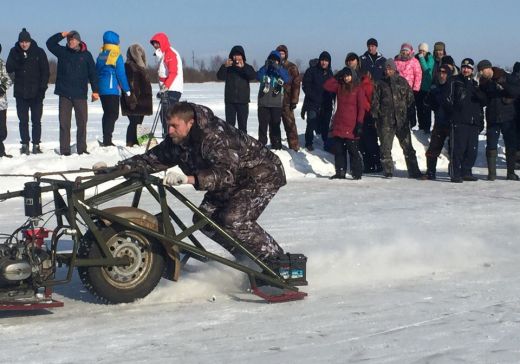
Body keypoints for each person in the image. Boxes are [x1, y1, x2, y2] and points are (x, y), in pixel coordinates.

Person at [120, 102, 287, 265]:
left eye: (174, 126)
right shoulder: (178, 139)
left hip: (261, 174)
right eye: (168, 125)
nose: (169, 131)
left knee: (233, 219)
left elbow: (226, 174)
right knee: (205, 220)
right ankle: (250, 262)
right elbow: (153, 159)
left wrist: (188, 179)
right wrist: (119, 168)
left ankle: (278, 263)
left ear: (190, 123)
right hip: (234, 179)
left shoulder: (215, 137)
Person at [46, 30, 99, 156]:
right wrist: (61, 34)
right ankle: (65, 150)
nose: (71, 42)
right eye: (69, 40)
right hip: (64, 94)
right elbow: (49, 44)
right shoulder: (62, 52)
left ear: (79, 41)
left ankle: (82, 149)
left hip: (80, 95)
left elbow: (93, 74)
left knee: (82, 123)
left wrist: (96, 90)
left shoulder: (86, 55)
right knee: (64, 124)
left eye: (73, 40)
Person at [371, 59, 423, 178]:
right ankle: (388, 170)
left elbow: (410, 101)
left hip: (402, 120)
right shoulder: (379, 84)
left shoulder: (402, 82)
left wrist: (412, 116)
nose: (387, 70)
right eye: (386, 68)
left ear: (394, 69)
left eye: (390, 68)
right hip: (385, 121)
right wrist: (375, 117)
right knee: (385, 147)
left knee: (408, 148)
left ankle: (414, 170)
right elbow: (375, 102)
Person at [6, 28, 49, 155]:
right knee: (23, 121)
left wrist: (42, 89)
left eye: (26, 42)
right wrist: (19, 58)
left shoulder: (39, 52)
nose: (24, 44)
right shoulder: (14, 52)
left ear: (30, 41)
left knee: (36, 121)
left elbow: (45, 72)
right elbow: (9, 67)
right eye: (22, 42)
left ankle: (36, 145)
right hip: (21, 93)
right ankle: (24, 145)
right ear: (19, 42)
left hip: (36, 93)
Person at [445, 58, 487, 182]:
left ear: (472, 70)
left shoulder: (475, 84)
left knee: (471, 150)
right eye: (464, 67)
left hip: (473, 122)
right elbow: (447, 100)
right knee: (458, 149)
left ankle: (466, 171)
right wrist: (454, 113)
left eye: (468, 68)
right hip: (459, 121)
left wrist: (480, 121)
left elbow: (483, 102)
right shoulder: (454, 81)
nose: (466, 69)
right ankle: (455, 173)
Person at [477, 59, 520, 180]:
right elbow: (484, 100)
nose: (481, 73)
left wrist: (504, 85)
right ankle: (492, 174)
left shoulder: (505, 76)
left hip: (508, 117)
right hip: (492, 117)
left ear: (489, 68)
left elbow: (516, 91)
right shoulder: (484, 82)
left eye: (482, 70)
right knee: (491, 145)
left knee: (510, 145)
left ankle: (510, 172)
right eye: (479, 71)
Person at [323, 67, 365, 180]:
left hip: (352, 126)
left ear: (353, 76)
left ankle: (357, 172)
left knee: (353, 150)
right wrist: (336, 76)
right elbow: (327, 85)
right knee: (339, 151)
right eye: (344, 76)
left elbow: (361, 108)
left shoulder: (358, 89)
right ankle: (340, 172)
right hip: (339, 124)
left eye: (348, 75)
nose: (346, 78)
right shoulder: (339, 87)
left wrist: (360, 124)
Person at [96, 31, 131, 147]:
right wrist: (126, 89)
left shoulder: (101, 54)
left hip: (101, 89)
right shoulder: (116, 55)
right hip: (111, 89)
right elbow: (121, 74)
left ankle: (106, 138)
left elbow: (97, 71)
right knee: (113, 114)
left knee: (107, 113)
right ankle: (107, 141)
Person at [216, 45, 256, 133]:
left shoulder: (247, 67)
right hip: (230, 101)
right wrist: (224, 66)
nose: (236, 57)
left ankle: (243, 145)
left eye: (238, 55)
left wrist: (243, 67)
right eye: (234, 55)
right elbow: (219, 76)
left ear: (242, 56)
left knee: (242, 126)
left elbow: (253, 76)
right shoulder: (228, 68)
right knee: (229, 127)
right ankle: (231, 144)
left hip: (243, 101)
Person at [150, 33, 183, 138]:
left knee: (168, 114)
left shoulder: (170, 53)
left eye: (157, 43)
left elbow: (173, 72)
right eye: (154, 43)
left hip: (173, 89)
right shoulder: (163, 54)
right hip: (167, 89)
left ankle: (172, 136)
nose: (155, 45)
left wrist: (165, 87)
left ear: (162, 42)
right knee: (164, 114)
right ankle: (168, 135)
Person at [424, 64, 453, 180]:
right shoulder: (434, 87)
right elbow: (427, 103)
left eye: (444, 73)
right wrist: (432, 100)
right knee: (433, 149)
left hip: (452, 123)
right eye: (440, 72)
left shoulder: (452, 86)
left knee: (454, 150)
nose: (441, 75)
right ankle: (430, 172)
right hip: (439, 122)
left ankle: (454, 172)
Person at [120, 44, 153, 147]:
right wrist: (130, 98)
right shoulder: (128, 66)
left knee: (139, 122)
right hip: (133, 99)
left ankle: (140, 143)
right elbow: (128, 83)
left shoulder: (142, 67)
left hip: (142, 100)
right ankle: (130, 143)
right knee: (134, 122)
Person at [256, 50, 290, 149]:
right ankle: (261, 146)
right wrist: (265, 67)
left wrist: (278, 68)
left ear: (279, 61)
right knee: (262, 126)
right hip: (263, 103)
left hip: (276, 103)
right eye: (272, 60)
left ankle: (276, 145)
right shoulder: (265, 70)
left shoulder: (281, 70)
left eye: (276, 60)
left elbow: (287, 79)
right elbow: (258, 76)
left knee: (275, 125)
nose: (273, 62)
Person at [301, 51, 334, 151]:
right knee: (311, 123)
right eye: (323, 60)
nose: (324, 62)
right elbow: (306, 86)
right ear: (320, 61)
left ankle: (325, 143)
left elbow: (333, 88)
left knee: (325, 124)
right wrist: (313, 96)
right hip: (312, 103)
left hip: (326, 104)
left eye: (326, 61)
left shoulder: (330, 73)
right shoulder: (311, 71)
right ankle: (308, 143)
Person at [276, 44, 301, 151]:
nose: (281, 55)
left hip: (287, 101)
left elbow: (296, 84)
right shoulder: (273, 65)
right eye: (279, 53)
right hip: (274, 101)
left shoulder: (292, 67)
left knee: (290, 125)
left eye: (283, 53)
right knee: (274, 125)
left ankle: (294, 147)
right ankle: (276, 146)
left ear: (286, 54)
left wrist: (294, 100)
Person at [394, 43, 422, 129]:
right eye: (403, 50)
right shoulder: (397, 61)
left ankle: (411, 124)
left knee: (409, 107)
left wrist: (416, 88)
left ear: (410, 52)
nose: (405, 52)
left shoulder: (414, 61)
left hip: (410, 89)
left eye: (406, 51)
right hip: (397, 89)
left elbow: (418, 74)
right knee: (398, 107)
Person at [416, 43, 434, 133]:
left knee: (426, 109)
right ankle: (421, 126)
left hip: (427, 87)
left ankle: (427, 128)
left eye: (423, 51)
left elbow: (426, 69)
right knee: (419, 108)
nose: (421, 52)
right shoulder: (416, 58)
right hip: (418, 87)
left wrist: (422, 58)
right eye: (420, 51)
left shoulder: (430, 59)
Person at [0, 43, 13, 158]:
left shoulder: (1, 64)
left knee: (2, 131)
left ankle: (1, 151)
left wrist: (2, 88)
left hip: (1, 104)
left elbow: (8, 80)